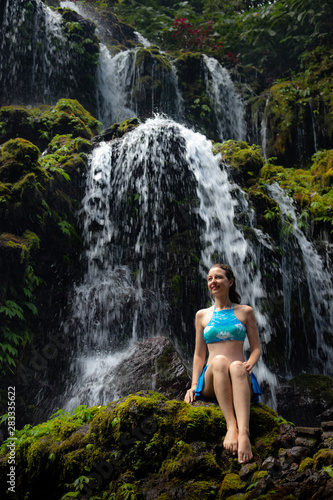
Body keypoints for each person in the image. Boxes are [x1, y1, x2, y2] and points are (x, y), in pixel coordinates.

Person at [184, 263, 262, 464]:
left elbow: (256, 349)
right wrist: (193, 386)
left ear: (230, 281)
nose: (213, 282)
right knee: (218, 361)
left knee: (236, 365)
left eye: (218, 277)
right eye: (210, 278)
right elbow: (199, 355)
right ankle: (231, 427)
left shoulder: (245, 312)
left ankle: (244, 434)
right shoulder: (202, 315)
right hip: (212, 379)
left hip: (239, 376)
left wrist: (249, 364)